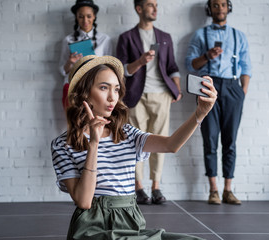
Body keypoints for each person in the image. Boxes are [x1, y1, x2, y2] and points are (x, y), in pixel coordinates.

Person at [51, 55, 217, 239]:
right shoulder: (63, 145)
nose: (112, 97)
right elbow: (84, 201)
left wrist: (200, 114)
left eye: (116, 89)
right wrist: (93, 144)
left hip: (130, 223)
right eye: (103, 87)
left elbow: (171, 145)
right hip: (92, 228)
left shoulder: (127, 134)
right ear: (85, 93)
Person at [185, 0, 252, 205]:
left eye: (223, 4)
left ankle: (227, 190)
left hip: (233, 88)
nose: (220, 8)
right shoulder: (200, 35)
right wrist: (207, 56)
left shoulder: (238, 35)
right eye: (215, 5)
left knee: (230, 141)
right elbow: (190, 64)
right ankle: (213, 190)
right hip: (208, 85)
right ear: (210, 9)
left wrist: (242, 93)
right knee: (210, 138)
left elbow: (246, 66)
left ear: (228, 8)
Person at [116, 0, 182, 205]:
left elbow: (172, 67)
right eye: (150, 4)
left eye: (156, 5)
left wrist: (177, 88)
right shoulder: (126, 37)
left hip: (162, 94)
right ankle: (138, 187)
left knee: (161, 141)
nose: (155, 8)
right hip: (135, 96)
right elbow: (121, 70)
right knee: (136, 142)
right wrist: (141, 61)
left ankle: (156, 186)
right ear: (139, 9)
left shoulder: (165, 37)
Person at [59, 0, 112, 110]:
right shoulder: (68, 40)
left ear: (94, 16)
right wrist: (70, 62)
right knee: (74, 124)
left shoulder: (105, 40)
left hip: (95, 87)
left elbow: (110, 67)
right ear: (76, 17)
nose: (85, 20)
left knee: (94, 122)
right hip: (72, 86)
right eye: (81, 16)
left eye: (89, 16)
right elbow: (62, 70)